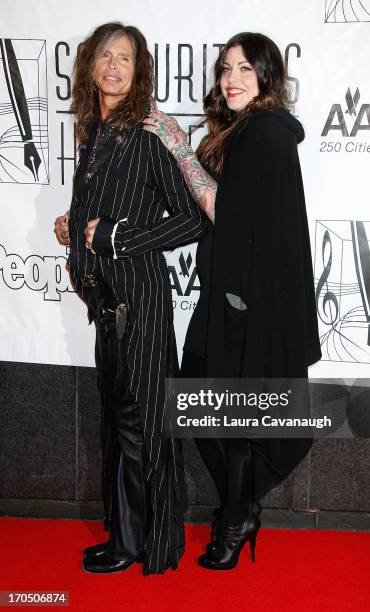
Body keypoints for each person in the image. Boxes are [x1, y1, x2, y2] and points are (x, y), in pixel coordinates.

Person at [143, 31, 321, 570]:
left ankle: (236, 517)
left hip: (248, 302)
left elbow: (228, 211)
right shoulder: (242, 132)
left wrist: (177, 146)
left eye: (246, 69)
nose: (232, 78)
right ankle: (240, 509)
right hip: (229, 297)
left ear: (268, 78)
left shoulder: (264, 133)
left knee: (234, 418)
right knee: (206, 406)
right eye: (226, 68)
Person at [54, 22, 205, 575]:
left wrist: (117, 236)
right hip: (107, 307)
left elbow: (192, 217)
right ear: (90, 67)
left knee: (141, 423)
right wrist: (74, 226)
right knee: (122, 423)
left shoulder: (146, 135)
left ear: (139, 73)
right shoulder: (94, 135)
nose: (113, 67)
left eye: (125, 59)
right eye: (105, 57)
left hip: (138, 303)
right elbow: (101, 215)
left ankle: (144, 544)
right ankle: (127, 534)